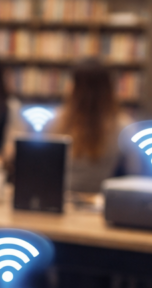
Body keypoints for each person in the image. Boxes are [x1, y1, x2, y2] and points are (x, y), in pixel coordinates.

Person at [51, 59, 133, 194]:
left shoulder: (57, 121)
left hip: (61, 198)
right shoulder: (124, 126)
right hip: (103, 201)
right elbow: (132, 172)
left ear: (75, 87)